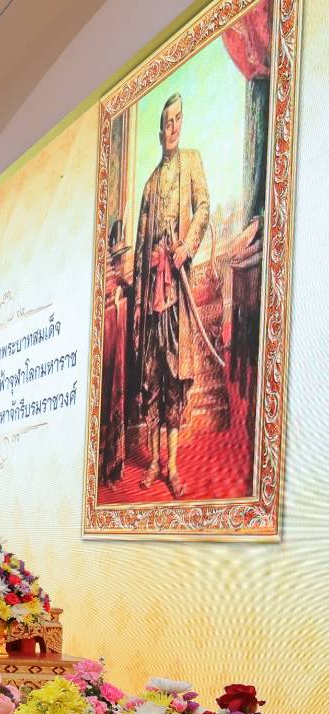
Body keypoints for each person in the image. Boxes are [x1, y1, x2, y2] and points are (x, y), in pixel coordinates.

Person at [132, 92, 210, 500]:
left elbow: (203, 209)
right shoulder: (149, 185)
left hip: (176, 292)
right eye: (167, 121)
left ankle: (174, 467)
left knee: (175, 379)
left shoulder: (192, 162)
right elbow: (140, 246)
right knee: (153, 378)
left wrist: (185, 247)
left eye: (178, 119)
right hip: (152, 298)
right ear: (160, 131)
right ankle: (154, 462)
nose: (174, 126)